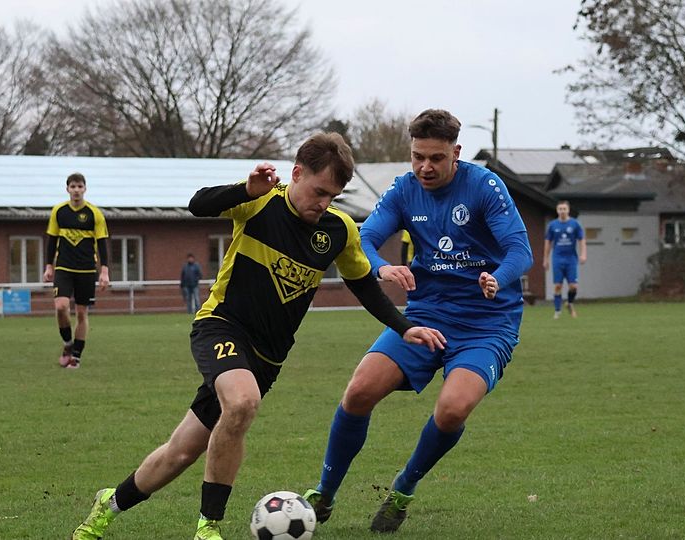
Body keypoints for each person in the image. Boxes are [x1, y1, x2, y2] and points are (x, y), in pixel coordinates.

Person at [70, 133, 446, 540]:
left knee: (181, 451)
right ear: (296, 173)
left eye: (333, 196)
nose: (324, 203)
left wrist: (404, 326)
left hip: (268, 358)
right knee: (243, 401)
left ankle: (109, 503)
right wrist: (244, 190)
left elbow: (363, 287)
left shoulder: (338, 230)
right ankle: (208, 526)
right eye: (319, 192)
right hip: (222, 325)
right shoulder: (261, 200)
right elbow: (198, 204)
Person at [303, 109, 533, 533]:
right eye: (418, 156)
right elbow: (365, 238)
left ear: (456, 153)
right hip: (427, 315)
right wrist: (381, 267)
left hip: (487, 322)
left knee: (452, 409)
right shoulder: (404, 190)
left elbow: (521, 250)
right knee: (359, 391)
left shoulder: (485, 187)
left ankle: (403, 489)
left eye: (436, 158)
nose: (425, 167)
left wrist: (497, 278)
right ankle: (324, 494)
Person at [43, 172, 110, 369]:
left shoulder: (94, 213)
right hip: (64, 267)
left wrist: (104, 271)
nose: (76, 190)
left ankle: (76, 357)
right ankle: (67, 344)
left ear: (85, 189)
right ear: (67, 189)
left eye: (80, 186)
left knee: (81, 313)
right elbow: (51, 240)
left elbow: (102, 243)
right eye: (73, 187)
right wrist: (49, 266)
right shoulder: (59, 211)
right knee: (61, 306)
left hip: (86, 269)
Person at [543, 200, 586, 319]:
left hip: (571, 259)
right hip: (557, 258)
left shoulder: (575, 224)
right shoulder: (552, 225)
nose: (562, 211)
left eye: (564, 209)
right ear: (557, 210)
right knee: (558, 286)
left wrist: (583, 254)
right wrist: (545, 259)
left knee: (573, 286)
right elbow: (548, 242)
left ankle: (569, 303)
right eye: (560, 209)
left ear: (568, 210)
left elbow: (581, 239)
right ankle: (557, 311)